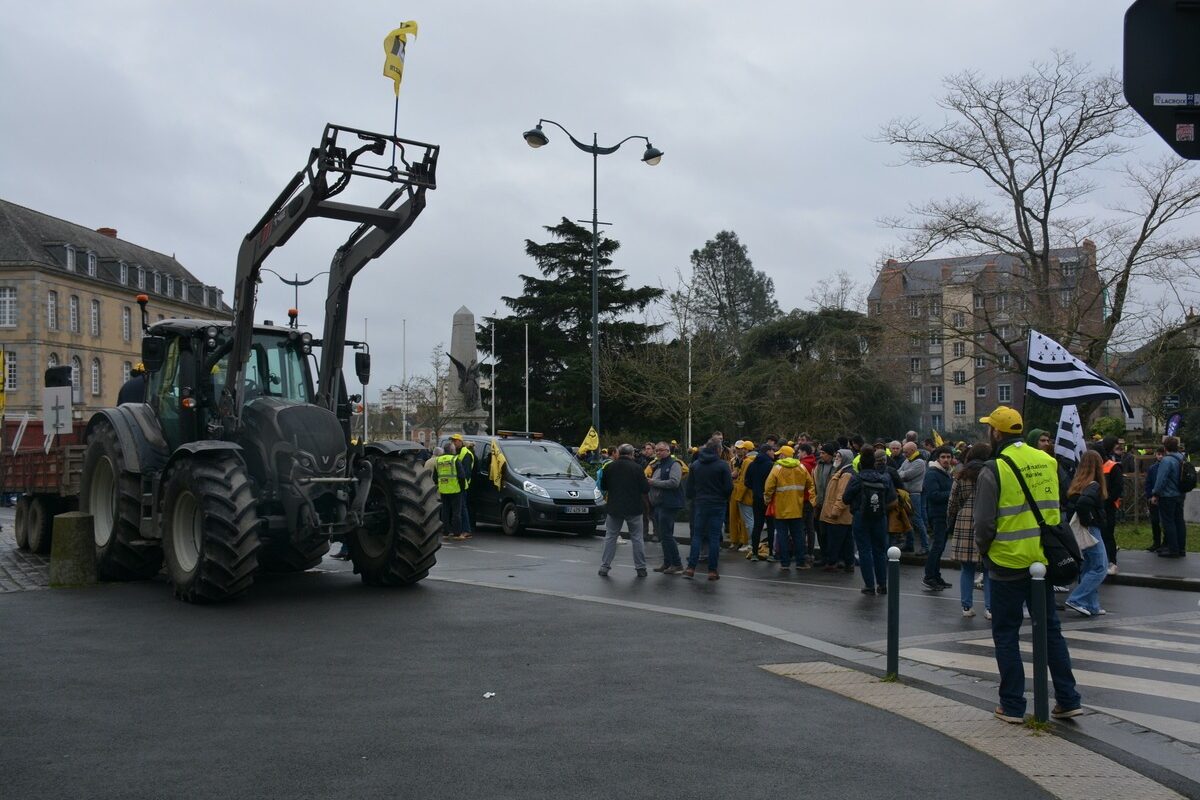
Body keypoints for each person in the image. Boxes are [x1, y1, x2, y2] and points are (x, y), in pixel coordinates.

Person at [974, 405, 1082, 723]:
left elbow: (983, 524)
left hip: (1007, 561)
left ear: (996, 432)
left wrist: (986, 553)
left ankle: (1012, 705)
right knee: (1050, 630)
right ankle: (1068, 697)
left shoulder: (993, 468)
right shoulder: (1047, 460)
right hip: (1044, 559)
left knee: (1006, 632)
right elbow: (1062, 500)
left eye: (989, 428)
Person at [948, 443, 992, 618]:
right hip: (987, 518)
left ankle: (966, 607)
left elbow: (952, 501)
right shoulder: (991, 473)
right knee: (988, 568)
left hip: (964, 520)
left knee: (967, 568)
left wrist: (951, 519)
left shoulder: (961, 475)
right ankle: (990, 608)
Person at [844, 449, 896, 595]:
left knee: (865, 550)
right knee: (880, 551)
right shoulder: (884, 478)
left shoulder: (857, 478)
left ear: (860, 463)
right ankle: (882, 584)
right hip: (880, 516)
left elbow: (845, 498)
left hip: (861, 516)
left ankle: (869, 585)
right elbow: (892, 499)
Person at [1064, 450, 1109, 617]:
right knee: (1100, 567)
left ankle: (1092, 605)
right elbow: (1083, 505)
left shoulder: (1078, 484)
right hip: (1091, 530)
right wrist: (1088, 521)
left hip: (1079, 530)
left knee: (1088, 567)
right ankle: (1077, 599)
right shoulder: (1094, 486)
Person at [598, 444, 651, 577]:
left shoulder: (610, 467)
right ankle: (641, 568)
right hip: (634, 508)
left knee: (610, 536)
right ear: (632, 454)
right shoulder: (637, 468)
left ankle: (605, 566)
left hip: (614, 507)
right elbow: (645, 488)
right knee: (637, 538)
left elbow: (604, 485)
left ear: (619, 453)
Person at [685, 439, 733, 580]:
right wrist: (724, 497)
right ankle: (712, 570)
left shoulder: (696, 465)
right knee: (714, 537)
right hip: (718, 503)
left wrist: (695, 498)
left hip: (700, 503)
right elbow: (729, 487)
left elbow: (689, 488)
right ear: (718, 450)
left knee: (697, 536)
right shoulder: (722, 466)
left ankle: (690, 567)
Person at [764, 444, 813, 571]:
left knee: (782, 535)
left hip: (780, 508)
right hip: (797, 507)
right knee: (798, 535)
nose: (778, 455)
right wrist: (812, 501)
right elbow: (810, 484)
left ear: (784, 455)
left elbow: (769, 487)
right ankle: (800, 562)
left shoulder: (777, 468)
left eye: (780, 453)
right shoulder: (801, 467)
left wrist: (767, 500)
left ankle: (785, 563)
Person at [647, 441, 685, 575]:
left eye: (661, 450)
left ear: (668, 451)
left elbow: (674, 482)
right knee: (663, 535)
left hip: (669, 504)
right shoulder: (658, 465)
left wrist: (654, 482)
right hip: (659, 503)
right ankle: (667, 562)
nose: (658, 452)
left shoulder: (674, 464)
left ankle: (677, 564)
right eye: (656, 450)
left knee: (667, 535)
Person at [922, 447, 954, 591]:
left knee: (940, 546)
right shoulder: (932, 474)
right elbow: (933, 495)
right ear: (938, 459)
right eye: (943, 457)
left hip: (946, 515)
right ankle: (929, 576)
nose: (946, 459)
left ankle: (936, 575)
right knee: (937, 546)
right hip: (937, 515)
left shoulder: (946, 473)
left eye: (948, 457)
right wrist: (952, 493)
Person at [1151, 435, 1188, 558]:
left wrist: (1155, 493)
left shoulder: (1166, 461)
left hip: (1168, 495)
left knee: (1169, 522)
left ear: (1165, 447)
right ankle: (1181, 548)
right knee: (1179, 521)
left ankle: (1173, 549)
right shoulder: (1182, 458)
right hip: (1180, 494)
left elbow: (1161, 479)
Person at [820, 449, 855, 572]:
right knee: (846, 540)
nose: (836, 458)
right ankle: (849, 563)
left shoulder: (845, 474)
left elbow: (842, 495)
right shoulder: (842, 471)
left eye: (839, 456)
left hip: (838, 515)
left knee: (835, 540)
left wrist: (835, 510)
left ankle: (832, 562)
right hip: (842, 515)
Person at [744, 442, 776, 560]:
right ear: (767, 451)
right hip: (769, 499)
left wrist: (756, 488)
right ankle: (771, 553)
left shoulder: (752, 465)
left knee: (758, 525)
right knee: (771, 526)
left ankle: (755, 552)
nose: (774, 453)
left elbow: (747, 482)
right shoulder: (770, 465)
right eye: (772, 450)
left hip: (756, 498)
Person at [1098, 436, 1124, 574]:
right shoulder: (1106, 465)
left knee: (1107, 535)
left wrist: (1106, 501)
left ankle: (1111, 562)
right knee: (1101, 536)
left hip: (1107, 507)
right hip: (1103, 506)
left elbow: (1118, 488)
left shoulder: (1112, 466)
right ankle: (1104, 561)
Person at [898, 441, 929, 553]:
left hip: (914, 494)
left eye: (906, 452)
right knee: (907, 520)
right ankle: (909, 544)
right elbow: (899, 473)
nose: (904, 454)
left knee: (917, 520)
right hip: (906, 494)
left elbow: (905, 475)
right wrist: (900, 475)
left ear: (912, 451)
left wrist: (900, 475)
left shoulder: (919, 462)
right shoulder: (907, 460)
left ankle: (925, 546)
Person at [436, 442, 469, 540]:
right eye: (453, 448)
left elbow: (435, 476)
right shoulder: (455, 459)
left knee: (445, 512)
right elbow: (462, 476)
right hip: (455, 489)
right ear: (451, 450)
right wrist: (463, 488)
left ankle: (445, 532)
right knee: (456, 513)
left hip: (443, 489)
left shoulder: (438, 460)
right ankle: (457, 534)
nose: (455, 449)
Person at [730, 440, 756, 552]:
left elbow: (744, 480)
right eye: (737, 448)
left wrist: (739, 496)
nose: (739, 450)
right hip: (734, 490)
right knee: (733, 517)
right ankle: (734, 540)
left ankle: (745, 541)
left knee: (745, 519)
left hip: (742, 492)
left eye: (742, 448)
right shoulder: (733, 461)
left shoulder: (748, 461)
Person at [796, 443, 819, 565]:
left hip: (803, 499)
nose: (798, 455)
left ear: (804, 452)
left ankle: (804, 553)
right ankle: (810, 553)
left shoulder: (802, 466)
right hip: (811, 499)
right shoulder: (814, 464)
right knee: (810, 528)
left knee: (802, 528)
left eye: (799, 452)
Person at [813, 443, 837, 559]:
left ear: (830, 455)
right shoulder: (818, 466)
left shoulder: (836, 467)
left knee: (830, 533)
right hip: (819, 504)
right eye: (821, 452)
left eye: (823, 453)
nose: (821, 455)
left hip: (831, 505)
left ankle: (832, 557)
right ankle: (824, 556)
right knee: (820, 532)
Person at [1144, 448, 1165, 552]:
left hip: (1164, 498)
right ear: (1156, 455)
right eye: (1159, 454)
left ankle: (1165, 543)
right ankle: (1156, 542)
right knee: (1155, 521)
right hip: (1153, 499)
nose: (1160, 456)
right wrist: (1149, 496)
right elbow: (1148, 483)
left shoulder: (1166, 467)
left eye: (1162, 454)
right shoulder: (1152, 468)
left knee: (1165, 522)